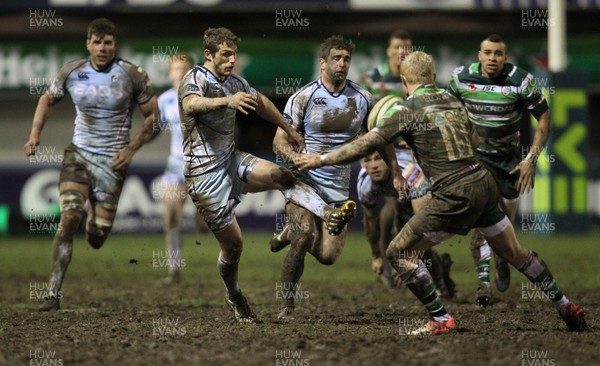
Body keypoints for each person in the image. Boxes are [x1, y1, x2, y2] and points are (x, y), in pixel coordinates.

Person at [294, 51, 587, 334]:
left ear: (405, 81)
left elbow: (366, 144)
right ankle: (565, 305)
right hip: (483, 183)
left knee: (398, 252)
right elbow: (474, 140)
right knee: (515, 253)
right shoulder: (453, 101)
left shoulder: (406, 111)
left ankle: (441, 318)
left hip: (453, 191)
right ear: (433, 76)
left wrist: (320, 158)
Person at [178, 28, 355, 323]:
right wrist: (227, 102)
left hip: (232, 160)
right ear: (208, 55)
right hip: (203, 175)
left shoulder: (236, 82)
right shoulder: (195, 78)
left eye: (234, 53)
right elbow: (190, 104)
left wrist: (289, 129)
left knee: (283, 176)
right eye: (225, 54)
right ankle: (234, 295)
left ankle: (328, 213)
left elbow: (261, 104)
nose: (232, 59)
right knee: (233, 248)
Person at [23, 18, 161, 311]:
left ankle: (95, 225)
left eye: (108, 42)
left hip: (113, 162)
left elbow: (154, 117)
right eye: (97, 42)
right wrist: (35, 135)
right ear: (88, 44)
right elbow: (47, 100)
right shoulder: (72, 71)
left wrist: (132, 149)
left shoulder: (132, 75)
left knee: (97, 237)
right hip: (79, 155)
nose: (102, 48)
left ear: (114, 45)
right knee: (69, 219)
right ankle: (52, 294)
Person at [269, 35, 372, 320]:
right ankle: (287, 307)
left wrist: (394, 171)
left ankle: (287, 233)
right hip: (305, 182)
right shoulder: (303, 97)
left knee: (328, 257)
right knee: (303, 237)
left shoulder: (363, 99)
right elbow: (278, 142)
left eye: (347, 59)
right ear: (323, 62)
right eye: (336, 59)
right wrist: (294, 159)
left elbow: (377, 138)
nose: (342, 64)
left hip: (337, 189)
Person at [448, 34, 552, 306]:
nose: (492, 58)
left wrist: (530, 159)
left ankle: (503, 258)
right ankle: (483, 285)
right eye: (487, 52)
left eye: (498, 53)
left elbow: (543, 117)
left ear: (505, 57)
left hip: (509, 163)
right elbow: (447, 111)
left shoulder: (521, 81)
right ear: (479, 54)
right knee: (482, 222)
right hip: (476, 160)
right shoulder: (460, 78)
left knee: (504, 227)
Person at [358, 150, 455, 299]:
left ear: (387, 158)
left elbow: (423, 227)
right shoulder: (364, 183)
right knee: (399, 239)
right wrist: (376, 255)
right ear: (361, 163)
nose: (373, 166)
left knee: (415, 243)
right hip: (403, 196)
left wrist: (409, 255)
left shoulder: (410, 173)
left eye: (378, 158)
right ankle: (440, 272)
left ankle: (440, 283)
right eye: (367, 160)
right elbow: (371, 222)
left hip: (432, 191)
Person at [156, 52, 209, 284]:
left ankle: (202, 215)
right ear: (169, 73)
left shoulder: (202, 97)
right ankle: (174, 269)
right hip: (176, 163)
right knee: (171, 217)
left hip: (202, 165)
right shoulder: (165, 100)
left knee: (204, 226)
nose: (179, 74)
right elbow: (154, 129)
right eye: (175, 70)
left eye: (183, 69)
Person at [359, 29, 412, 101]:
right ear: (388, 51)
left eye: (406, 48)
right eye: (397, 47)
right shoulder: (371, 78)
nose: (401, 52)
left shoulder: (417, 80)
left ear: (411, 52)